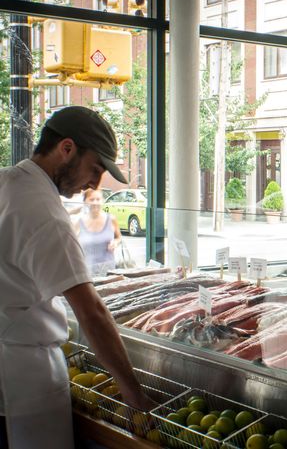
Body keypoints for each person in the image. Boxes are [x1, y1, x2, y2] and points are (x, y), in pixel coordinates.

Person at [0, 106, 153, 449]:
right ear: (66, 148)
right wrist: (134, 394)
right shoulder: (45, 214)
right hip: (22, 378)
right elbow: (91, 312)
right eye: (95, 169)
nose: (95, 184)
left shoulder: (7, 181)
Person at [75, 188, 122, 275]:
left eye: (98, 199)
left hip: (109, 272)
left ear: (102, 201)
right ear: (85, 201)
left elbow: (119, 237)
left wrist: (115, 242)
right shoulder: (79, 222)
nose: (95, 202)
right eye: (91, 199)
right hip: (86, 273)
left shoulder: (111, 219)